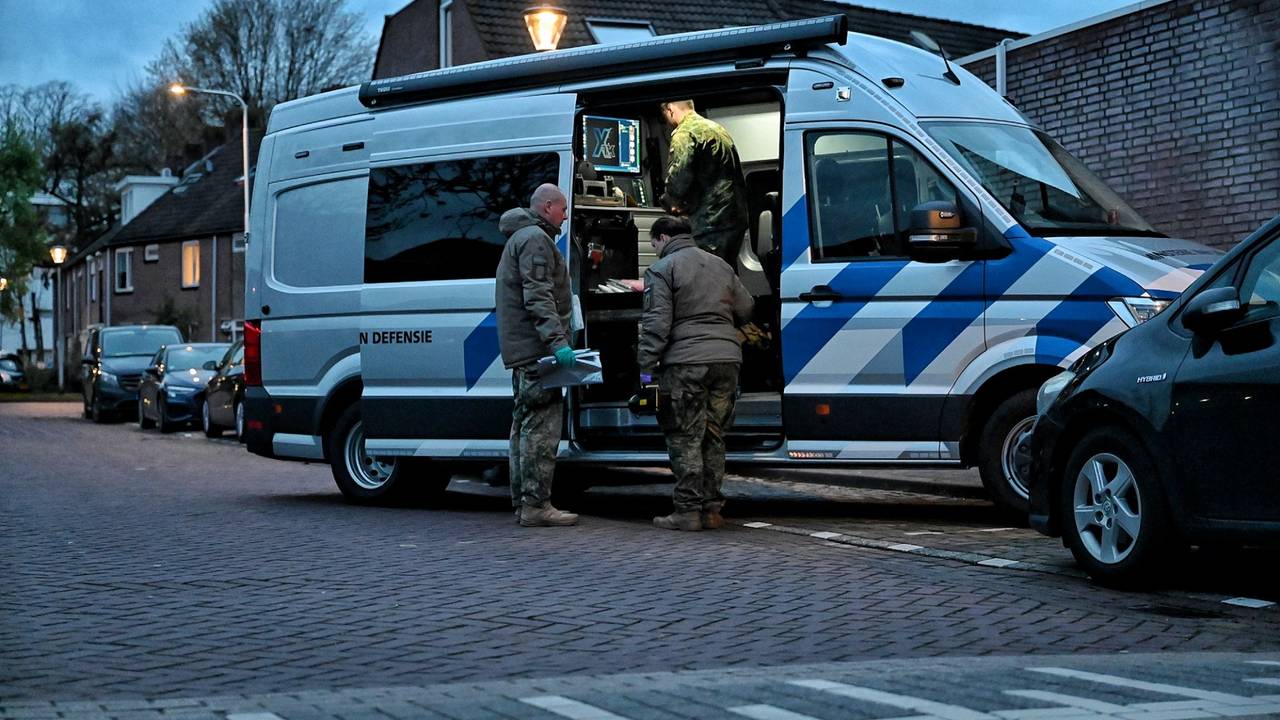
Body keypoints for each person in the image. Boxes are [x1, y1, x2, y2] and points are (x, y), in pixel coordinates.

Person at [637, 215, 754, 531]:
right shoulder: (720, 265)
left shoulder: (662, 270)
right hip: (727, 360)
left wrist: (646, 372)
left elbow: (656, 327)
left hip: (686, 363)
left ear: (662, 238)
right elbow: (746, 308)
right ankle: (712, 509)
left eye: (654, 244)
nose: (655, 249)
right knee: (714, 435)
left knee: (685, 434)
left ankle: (687, 511)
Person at [495, 183, 580, 528]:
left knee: (524, 426)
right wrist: (558, 343)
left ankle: (525, 503)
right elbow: (539, 296)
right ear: (547, 207)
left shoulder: (523, 238)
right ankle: (536, 504)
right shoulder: (535, 240)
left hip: (526, 351)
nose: (565, 214)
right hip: (537, 353)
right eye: (562, 208)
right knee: (540, 430)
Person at [659, 99, 751, 265]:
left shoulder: (685, 134)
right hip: (733, 217)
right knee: (725, 273)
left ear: (670, 109)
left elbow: (679, 178)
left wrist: (669, 200)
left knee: (709, 277)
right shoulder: (716, 128)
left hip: (710, 220)